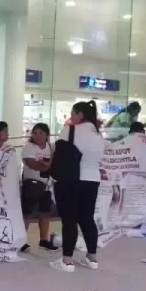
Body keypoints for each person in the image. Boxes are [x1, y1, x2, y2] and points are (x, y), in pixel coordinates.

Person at [52, 101, 105, 273]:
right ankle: (92, 258)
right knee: (87, 218)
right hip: (92, 180)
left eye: (73, 113)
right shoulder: (98, 135)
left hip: (71, 179)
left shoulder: (70, 130)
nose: (71, 117)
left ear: (80, 114)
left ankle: (67, 261)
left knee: (69, 219)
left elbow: (57, 152)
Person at [20, 123, 59, 253]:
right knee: (27, 213)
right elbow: (32, 164)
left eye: (41, 133)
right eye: (35, 133)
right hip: (31, 184)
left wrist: (45, 164)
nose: (37, 136)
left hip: (47, 185)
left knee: (45, 212)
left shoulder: (50, 147)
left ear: (46, 134)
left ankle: (43, 239)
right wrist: (48, 165)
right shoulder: (28, 147)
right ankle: (21, 240)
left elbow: (55, 164)